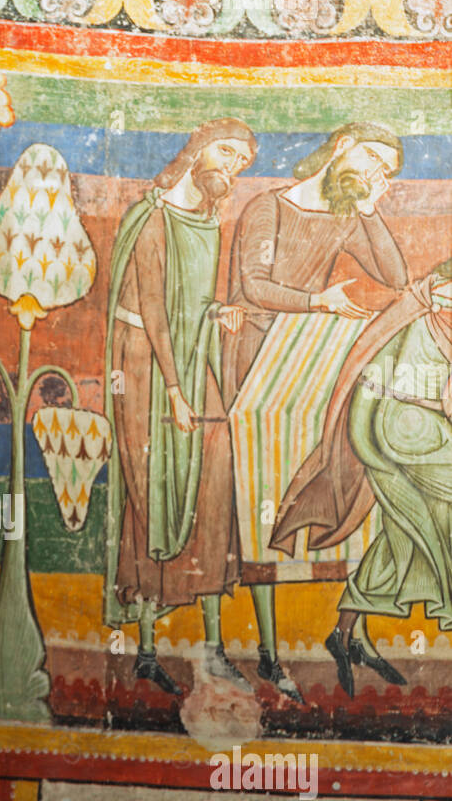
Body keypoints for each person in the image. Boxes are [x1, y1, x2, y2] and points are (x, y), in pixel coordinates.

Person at [225, 122, 408, 701]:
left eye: (388, 171)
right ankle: (270, 652)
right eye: (373, 160)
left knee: (349, 453)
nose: (378, 174)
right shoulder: (268, 206)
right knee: (262, 483)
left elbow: (398, 279)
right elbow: (253, 286)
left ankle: (350, 628)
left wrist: (373, 210)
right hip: (255, 354)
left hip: (308, 355)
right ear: (342, 146)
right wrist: (318, 301)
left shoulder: (347, 214)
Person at [104, 119, 256, 695]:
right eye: (226, 152)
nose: (233, 166)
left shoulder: (209, 220)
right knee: (153, 490)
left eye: (242, 160)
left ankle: (212, 644)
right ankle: (145, 645)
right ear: (197, 150)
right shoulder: (152, 220)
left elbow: (192, 305)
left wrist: (217, 313)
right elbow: (153, 308)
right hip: (146, 369)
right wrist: (174, 392)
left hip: (193, 360)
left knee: (215, 483)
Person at [271, 262, 452, 696]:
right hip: (407, 426)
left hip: (408, 424)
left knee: (404, 531)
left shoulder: (432, 312)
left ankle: (344, 630)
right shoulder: (431, 314)